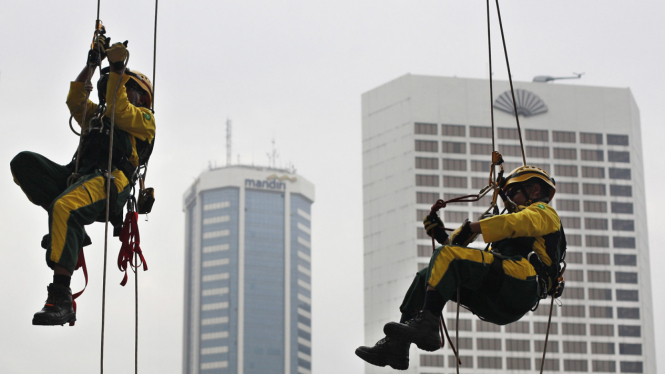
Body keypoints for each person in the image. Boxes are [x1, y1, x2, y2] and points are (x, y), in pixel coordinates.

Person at [355, 165, 566, 370]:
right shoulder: (509, 218)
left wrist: (473, 228)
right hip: (499, 297)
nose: (508, 198)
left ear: (535, 190)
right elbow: (449, 256)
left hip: (522, 284)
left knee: (448, 257)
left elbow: (515, 223)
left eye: (513, 192)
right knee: (427, 274)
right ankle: (397, 345)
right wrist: (441, 235)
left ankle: (428, 325)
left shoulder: (544, 213)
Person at [10, 36, 156, 326]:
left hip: (109, 183)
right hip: (78, 177)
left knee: (65, 207)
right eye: (124, 86)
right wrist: (92, 66)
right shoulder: (98, 116)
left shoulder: (144, 121)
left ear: (143, 98)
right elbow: (75, 100)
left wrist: (116, 69)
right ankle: (70, 230)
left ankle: (61, 299)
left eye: (131, 88)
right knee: (23, 163)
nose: (125, 90)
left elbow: (119, 109)